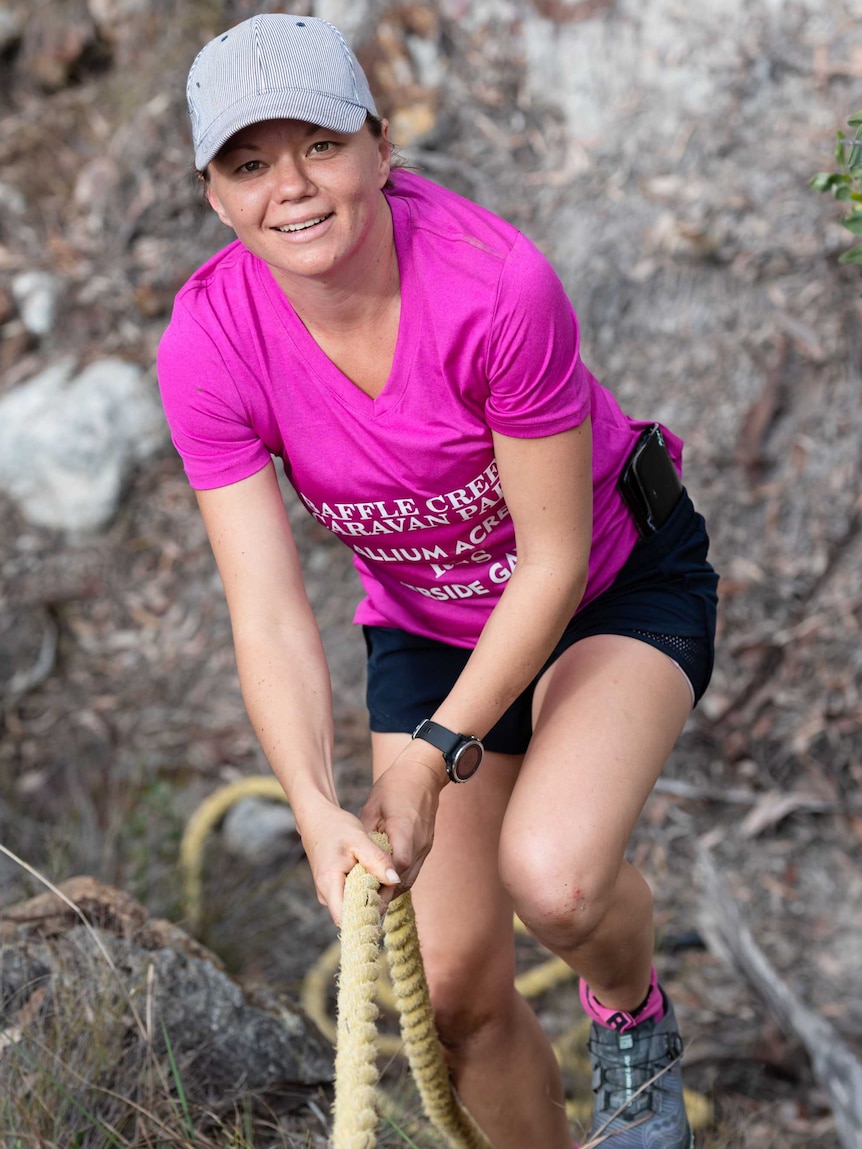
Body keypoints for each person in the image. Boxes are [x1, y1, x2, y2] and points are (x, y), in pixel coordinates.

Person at [158, 13, 718, 1148]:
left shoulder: (493, 286)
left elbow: (553, 558)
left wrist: (432, 756)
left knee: (552, 880)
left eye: (318, 144)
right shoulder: (208, 345)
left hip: (608, 586)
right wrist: (315, 806)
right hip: (427, 622)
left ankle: (631, 1023)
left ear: (378, 146)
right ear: (214, 195)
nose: (293, 187)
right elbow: (263, 608)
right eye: (249, 163)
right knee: (456, 989)